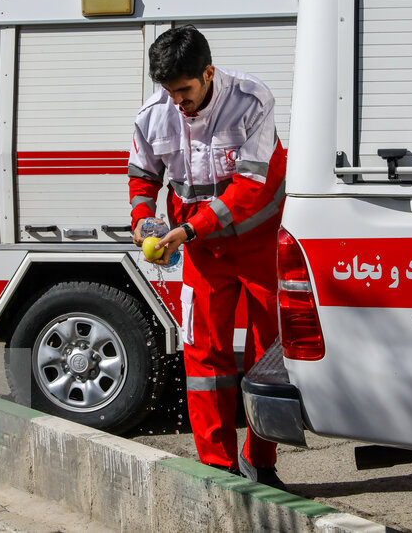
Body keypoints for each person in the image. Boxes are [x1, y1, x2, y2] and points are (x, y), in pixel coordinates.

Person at [127, 25, 287, 487]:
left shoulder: (253, 101)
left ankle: (261, 461)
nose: (178, 101)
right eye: (169, 91)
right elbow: (143, 176)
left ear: (209, 73)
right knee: (204, 357)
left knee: (268, 357)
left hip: (259, 247)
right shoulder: (153, 115)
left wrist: (188, 229)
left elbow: (250, 188)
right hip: (200, 251)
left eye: (185, 90)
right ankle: (217, 469)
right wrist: (142, 219)